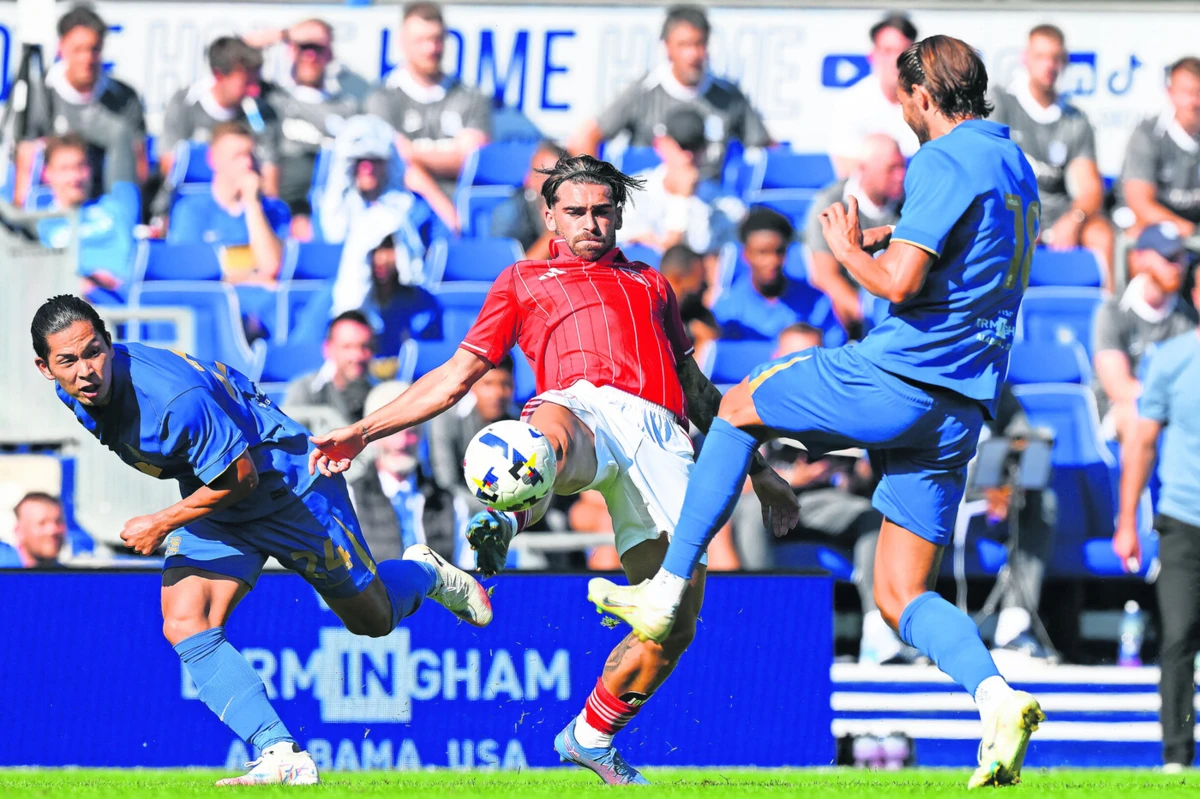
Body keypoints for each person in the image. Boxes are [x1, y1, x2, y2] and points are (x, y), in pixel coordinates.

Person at [590, 36, 1046, 789]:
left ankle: (665, 588)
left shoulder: (942, 155)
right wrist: (889, 235)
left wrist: (844, 250)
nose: (904, 116)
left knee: (737, 406)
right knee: (902, 595)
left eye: (905, 102)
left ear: (923, 96)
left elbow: (898, 286)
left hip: (901, 377)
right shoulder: (1014, 164)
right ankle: (995, 696)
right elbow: (962, 259)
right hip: (962, 405)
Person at [307, 154, 799, 785]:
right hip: (577, 406)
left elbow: (699, 389)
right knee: (541, 442)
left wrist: (760, 472)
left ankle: (592, 735)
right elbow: (457, 377)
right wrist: (362, 432)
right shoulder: (523, 280)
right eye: (576, 211)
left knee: (673, 623)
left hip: (660, 435)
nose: (590, 222)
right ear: (550, 216)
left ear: (618, 213)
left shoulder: (652, 284)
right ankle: (498, 530)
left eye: (601, 210)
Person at [30, 295, 491, 785]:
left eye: (94, 351)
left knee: (373, 621)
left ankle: (425, 571)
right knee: (186, 621)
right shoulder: (77, 393)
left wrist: (163, 521)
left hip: (289, 488)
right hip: (218, 498)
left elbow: (242, 477)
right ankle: (282, 753)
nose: (86, 370)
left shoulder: (173, 399)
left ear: (109, 341)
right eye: (68, 361)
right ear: (45, 367)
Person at [1112, 298, 1200, 771]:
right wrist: (1127, 521)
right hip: (1184, 518)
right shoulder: (1171, 357)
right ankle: (1177, 755)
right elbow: (1143, 442)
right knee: (1180, 635)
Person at [568, 5, 770, 181]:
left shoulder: (728, 96)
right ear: (667, 47)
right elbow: (585, 137)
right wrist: (595, 187)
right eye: (684, 45)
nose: (692, 54)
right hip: (648, 202)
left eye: (699, 44)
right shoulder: (643, 91)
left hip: (709, 197)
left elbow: (765, 148)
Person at [990, 24, 1113, 287]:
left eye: (1055, 58)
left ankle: (1110, 317)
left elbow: (1091, 189)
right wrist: (1022, 218)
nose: (1049, 65)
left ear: (1065, 63)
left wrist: (1074, 219)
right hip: (1013, 211)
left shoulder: (1075, 120)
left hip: (1058, 218)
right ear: (1025, 59)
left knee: (1101, 234)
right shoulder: (1002, 104)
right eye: (1041, 56)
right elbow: (990, 173)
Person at [366, 2, 490, 224]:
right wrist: (442, 205)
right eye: (421, 40)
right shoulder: (381, 99)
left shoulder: (470, 96)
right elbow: (389, 164)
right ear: (402, 42)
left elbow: (471, 160)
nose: (431, 49)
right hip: (403, 207)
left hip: (462, 203)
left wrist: (411, 151)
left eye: (437, 39)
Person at [15, 5, 147, 205]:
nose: (87, 58)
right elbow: (25, 164)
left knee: (120, 134)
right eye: (78, 49)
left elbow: (139, 165)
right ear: (61, 47)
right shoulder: (39, 94)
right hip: (53, 211)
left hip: (108, 209)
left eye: (94, 49)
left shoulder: (124, 97)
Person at [256, 18, 371, 240]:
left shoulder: (349, 108)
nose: (310, 56)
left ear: (330, 54)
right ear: (290, 49)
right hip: (280, 211)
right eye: (304, 47)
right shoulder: (273, 99)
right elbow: (231, 54)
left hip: (332, 214)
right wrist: (284, 34)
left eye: (318, 48)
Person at [1093, 224, 1198, 442]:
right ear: (1139, 258)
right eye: (1168, 257)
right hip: (1121, 414)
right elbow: (1118, 387)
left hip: (1174, 410)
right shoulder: (1113, 312)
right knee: (1136, 415)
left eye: (1181, 257)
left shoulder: (1187, 316)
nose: (1177, 266)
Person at [322, 115, 427, 316]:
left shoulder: (414, 210)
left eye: (375, 161)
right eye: (360, 160)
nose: (367, 169)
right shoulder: (332, 214)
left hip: (398, 299)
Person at [158, 36, 281, 202]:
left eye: (256, 81)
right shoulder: (185, 103)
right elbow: (169, 165)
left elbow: (270, 184)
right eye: (246, 82)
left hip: (243, 208)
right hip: (189, 203)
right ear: (219, 75)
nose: (254, 90)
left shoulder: (261, 115)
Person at [805, 133, 905, 336]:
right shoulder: (831, 203)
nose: (901, 175)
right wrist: (869, 317)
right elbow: (826, 275)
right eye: (891, 169)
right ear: (863, 169)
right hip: (853, 314)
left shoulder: (911, 201)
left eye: (902, 166)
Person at [352, 382, 459, 565]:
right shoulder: (350, 497)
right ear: (372, 437)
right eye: (392, 433)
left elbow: (466, 572)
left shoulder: (450, 502)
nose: (402, 443)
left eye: (411, 432)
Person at [167, 122, 290, 280]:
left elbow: (272, 266)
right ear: (213, 159)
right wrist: (249, 279)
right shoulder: (191, 210)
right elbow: (187, 269)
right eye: (238, 156)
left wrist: (253, 204)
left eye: (251, 155)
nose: (248, 163)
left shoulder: (275, 211)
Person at [617, 107, 745, 255]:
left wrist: (682, 199)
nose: (688, 155)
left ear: (704, 149)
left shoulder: (725, 204)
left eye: (695, 146)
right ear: (661, 145)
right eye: (682, 145)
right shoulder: (631, 192)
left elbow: (703, 257)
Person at [714, 208, 843, 344]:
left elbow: (833, 351)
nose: (773, 261)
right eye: (762, 252)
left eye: (779, 251)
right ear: (746, 255)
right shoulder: (728, 306)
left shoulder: (816, 302)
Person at [36, 134, 137, 298]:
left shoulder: (115, 208)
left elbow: (122, 134)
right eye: (65, 169)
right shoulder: (39, 225)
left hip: (127, 300)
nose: (75, 177)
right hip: (78, 306)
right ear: (47, 173)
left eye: (80, 166)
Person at [827, 13, 920, 177]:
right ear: (872, 56)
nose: (896, 60)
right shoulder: (850, 103)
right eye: (887, 51)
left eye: (903, 52)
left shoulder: (931, 102)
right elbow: (846, 170)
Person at [1120, 57, 1200, 238]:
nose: (1193, 102)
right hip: (1158, 227)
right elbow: (1140, 203)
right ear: (1170, 92)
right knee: (1155, 258)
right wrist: (1183, 228)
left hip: (1194, 231)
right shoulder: (1148, 135)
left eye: (1199, 93)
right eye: (1187, 92)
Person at [427, 355, 518, 507]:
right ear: (472, 385)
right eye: (488, 384)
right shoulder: (447, 419)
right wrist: (498, 509)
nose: (497, 394)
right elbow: (446, 484)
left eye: (505, 384)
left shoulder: (519, 423)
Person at [284, 311, 377, 426]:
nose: (357, 356)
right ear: (328, 348)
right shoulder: (306, 389)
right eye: (347, 347)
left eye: (365, 347)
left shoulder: (381, 391)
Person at [490, 141, 569, 260]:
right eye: (548, 177)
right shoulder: (509, 215)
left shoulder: (577, 211)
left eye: (561, 179)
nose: (554, 186)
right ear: (528, 179)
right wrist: (555, 230)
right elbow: (511, 273)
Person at [659, 244, 719, 348]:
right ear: (675, 279)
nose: (701, 287)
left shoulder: (699, 313)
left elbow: (716, 344)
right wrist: (690, 331)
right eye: (698, 280)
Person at [9, 492, 67, 568]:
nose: (52, 530)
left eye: (58, 522)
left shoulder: (70, 577)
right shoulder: (6, 573)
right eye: (42, 523)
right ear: (19, 531)